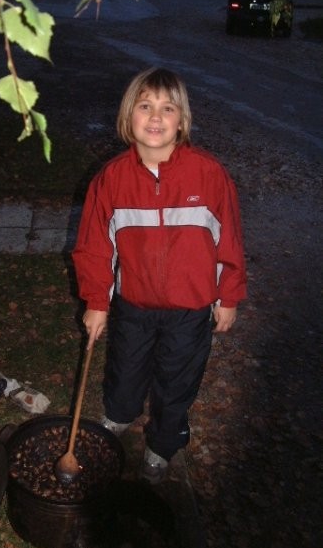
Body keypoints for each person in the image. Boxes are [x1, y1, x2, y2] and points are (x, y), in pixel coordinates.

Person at [72, 67, 247, 484]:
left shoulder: (208, 175)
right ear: (127, 117)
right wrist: (97, 303)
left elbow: (231, 239)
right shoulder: (111, 180)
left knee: (176, 381)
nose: (155, 117)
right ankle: (118, 416)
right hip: (133, 304)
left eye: (167, 108)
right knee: (125, 369)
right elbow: (95, 248)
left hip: (190, 308)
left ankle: (162, 443)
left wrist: (229, 297)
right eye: (144, 106)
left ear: (181, 121)